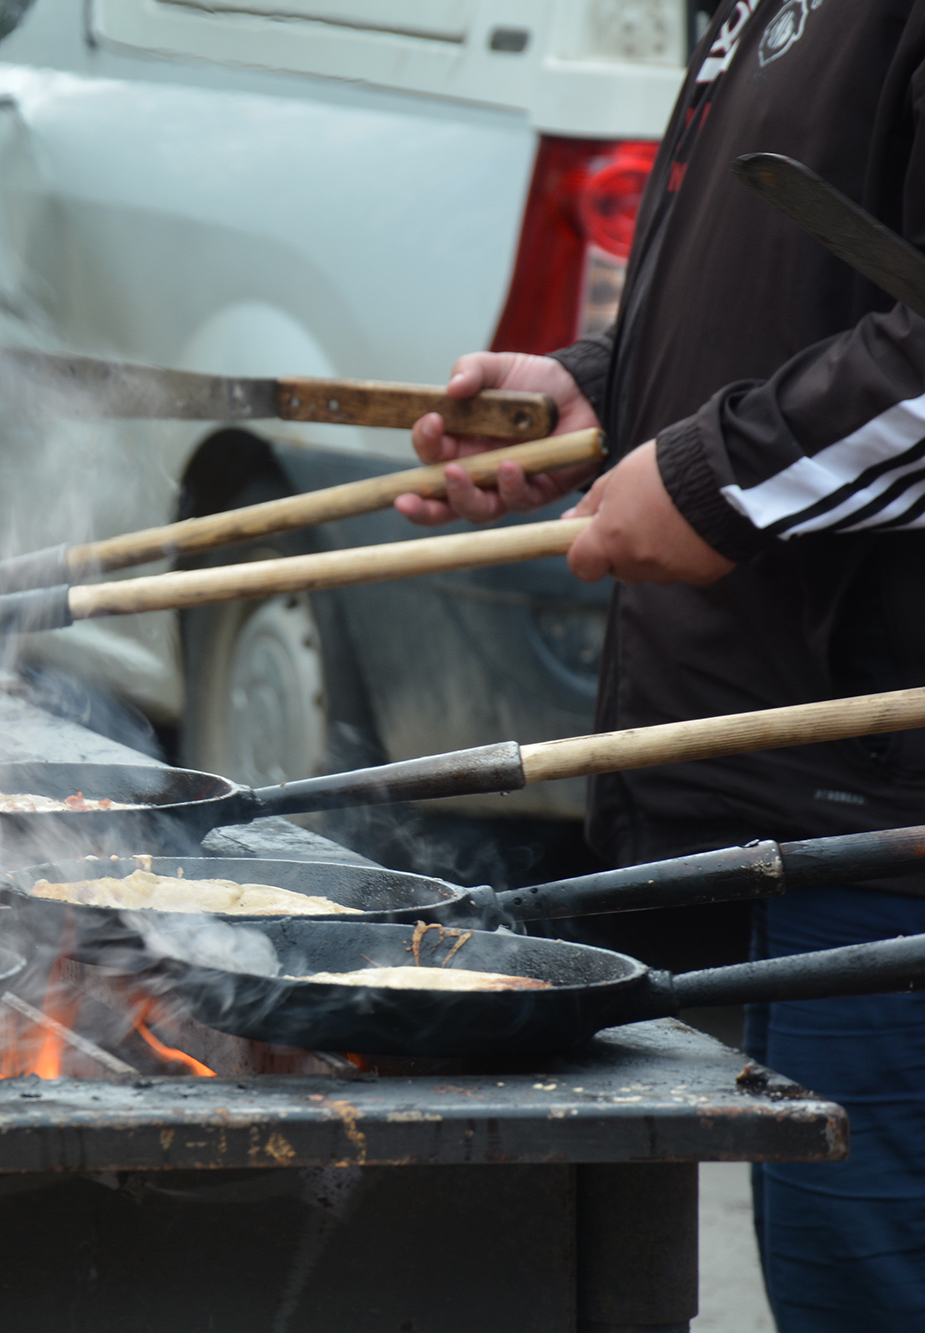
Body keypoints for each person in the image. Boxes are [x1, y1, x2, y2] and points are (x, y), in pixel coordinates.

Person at [397, 3, 925, 1326]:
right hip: (805, 785)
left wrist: (718, 480)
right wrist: (607, 392)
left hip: (885, 812)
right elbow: (821, 291)